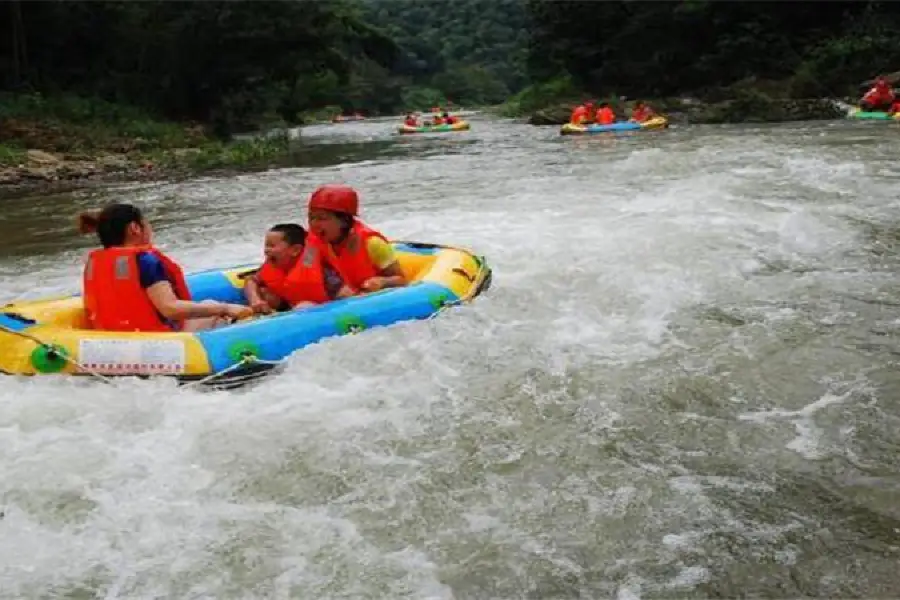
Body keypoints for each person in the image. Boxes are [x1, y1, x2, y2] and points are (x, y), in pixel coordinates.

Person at [78, 203, 249, 332]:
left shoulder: (95, 262)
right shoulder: (145, 261)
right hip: (156, 341)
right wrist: (225, 308)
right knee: (212, 306)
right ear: (134, 228)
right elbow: (170, 309)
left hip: (110, 340)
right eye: (146, 223)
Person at [306, 184, 407, 293]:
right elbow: (307, 271)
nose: (314, 224)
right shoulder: (311, 244)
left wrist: (383, 281)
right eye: (311, 217)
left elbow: (402, 280)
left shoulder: (372, 244)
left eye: (322, 218)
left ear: (344, 221)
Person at [244, 223, 353, 314]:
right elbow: (251, 280)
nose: (266, 250)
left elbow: (345, 294)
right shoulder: (272, 265)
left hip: (316, 309)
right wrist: (255, 299)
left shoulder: (320, 271)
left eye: (272, 246)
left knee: (304, 306)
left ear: (295, 250)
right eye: (266, 246)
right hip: (289, 305)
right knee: (265, 293)